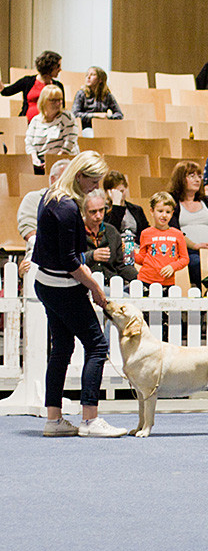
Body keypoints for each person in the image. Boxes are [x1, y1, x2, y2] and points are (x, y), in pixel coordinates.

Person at [31, 150, 126, 437]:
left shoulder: (50, 196)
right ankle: (90, 419)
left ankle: (54, 419)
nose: (95, 187)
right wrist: (95, 287)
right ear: (80, 175)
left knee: (61, 348)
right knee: (97, 346)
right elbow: (71, 262)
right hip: (63, 286)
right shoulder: (69, 208)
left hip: (44, 283)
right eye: (93, 181)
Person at [169, 161, 208, 285]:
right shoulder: (172, 201)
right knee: (197, 263)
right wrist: (195, 245)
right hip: (188, 251)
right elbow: (173, 231)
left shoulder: (207, 201)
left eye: (199, 176)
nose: (197, 180)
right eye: (192, 176)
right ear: (180, 178)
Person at [17, 158, 70, 277]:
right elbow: (29, 232)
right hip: (40, 255)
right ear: (53, 179)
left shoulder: (79, 202)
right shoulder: (33, 199)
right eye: (67, 178)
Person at [136, 192, 190, 288]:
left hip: (167, 282)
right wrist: (129, 253)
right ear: (152, 211)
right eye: (160, 211)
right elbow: (142, 259)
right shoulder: (145, 233)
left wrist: (173, 267)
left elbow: (185, 259)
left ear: (172, 213)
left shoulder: (178, 234)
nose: (164, 215)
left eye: (168, 212)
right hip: (146, 280)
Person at [82, 189, 137, 283]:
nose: (98, 216)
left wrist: (140, 278)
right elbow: (70, 261)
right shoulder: (76, 232)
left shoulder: (112, 232)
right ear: (84, 212)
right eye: (93, 212)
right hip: (86, 284)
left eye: (101, 210)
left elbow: (121, 266)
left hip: (112, 283)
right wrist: (91, 256)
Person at [24, 84, 78, 174]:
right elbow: (29, 143)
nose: (58, 103)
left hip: (62, 162)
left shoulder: (67, 117)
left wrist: (52, 161)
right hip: (40, 162)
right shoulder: (35, 120)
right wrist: (34, 159)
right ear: (43, 101)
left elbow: (69, 144)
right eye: (53, 100)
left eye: (59, 100)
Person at [1, 50, 63, 121]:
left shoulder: (58, 86)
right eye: (58, 66)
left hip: (50, 124)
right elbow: (6, 92)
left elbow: (62, 108)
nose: (60, 69)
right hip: (27, 123)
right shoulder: (27, 81)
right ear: (49, 67)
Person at [103, 171, 149, 264]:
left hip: (137, 249)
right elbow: (110, 233)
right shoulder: (103, 211)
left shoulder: (136, 209)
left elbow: (146, 232)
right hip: (117, 251)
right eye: (116, 193)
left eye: (122, 191)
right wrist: (116, 205)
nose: (120, 195)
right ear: (108, 193)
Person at [71, 66, 123, 134]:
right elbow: (75, 114)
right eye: (87, 75)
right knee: (90, 133)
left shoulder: (107, 95)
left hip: (102, 127)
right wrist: (95, 115)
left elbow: (119, 115)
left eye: (92, 75)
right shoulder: (81, 94)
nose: (88, 77)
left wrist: (108, 117)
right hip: (85, 128)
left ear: (100, 79)